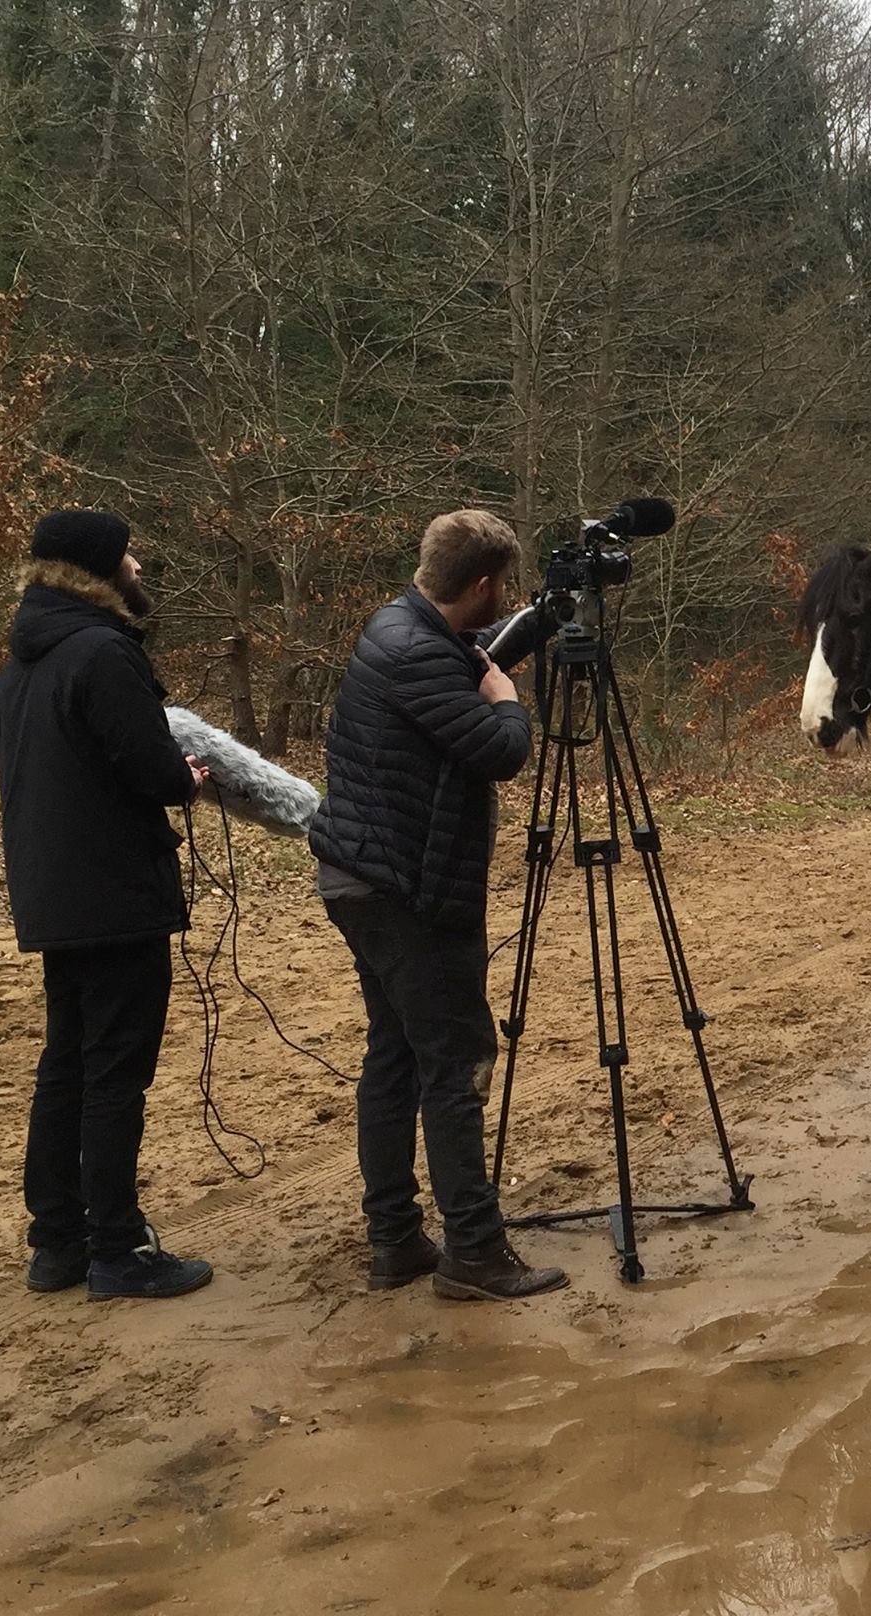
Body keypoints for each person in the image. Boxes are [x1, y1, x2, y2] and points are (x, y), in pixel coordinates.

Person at [310, 509, 568, 1302]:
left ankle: (395, 1239)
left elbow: (461, 663)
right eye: (505, 591)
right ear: (485, 584)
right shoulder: (420, 652)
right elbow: (499, 751)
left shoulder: (399, 626)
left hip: (368, 876)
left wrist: (517, 641)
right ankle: (475, 1254)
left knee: (394, 1056)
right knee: (452, 1064)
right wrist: (507, 700)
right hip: (407, 892)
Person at [0, 509, 216, 1300]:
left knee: (68, 1067)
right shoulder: (102, 652)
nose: (140, 565)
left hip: (55, 895)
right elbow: (152, 772)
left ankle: (57, 1244)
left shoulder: (21, 662)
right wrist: (187, 777)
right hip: (115, 894)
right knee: (116, 1073)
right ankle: (117, 1248)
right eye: (129, 554)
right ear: (96, 570)